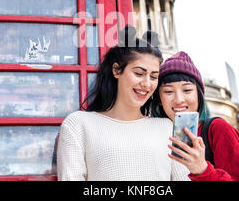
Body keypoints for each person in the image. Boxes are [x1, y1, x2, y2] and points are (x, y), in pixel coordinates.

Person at [56, 27, 189, 181]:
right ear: (117, 70)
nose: (146, 84)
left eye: (153, 77)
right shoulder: (78, 124)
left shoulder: (168, 127)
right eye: (139, 73)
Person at [144, 51, 239, 181]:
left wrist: (202, 170)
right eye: (169, 91)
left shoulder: (218, 129)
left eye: (187, 90)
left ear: (199, 95)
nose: (178, 99)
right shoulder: (155, 135)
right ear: (159, 99)